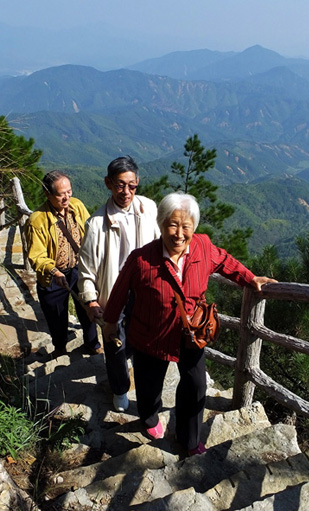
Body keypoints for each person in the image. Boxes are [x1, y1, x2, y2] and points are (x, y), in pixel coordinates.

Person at [102, 192, 276, 455]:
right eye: (172, 224)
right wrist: (110, 322)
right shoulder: (141, 259)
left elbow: (226, 261)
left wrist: (250, 279)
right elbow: (119, 291)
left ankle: (189, 440)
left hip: (190, 334)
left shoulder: (203, 247)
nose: (179, 233)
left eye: (186, 226)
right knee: (149, 384)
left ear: (194, 227)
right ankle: (149, 417)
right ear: (160, 224)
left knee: (196, 385)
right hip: (150, 334)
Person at [78, 156, 160, 412]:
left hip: (145, 289)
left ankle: (132, 365)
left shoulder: (149, 209)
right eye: (120, 185)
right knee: (114, 341)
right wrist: (91, 300)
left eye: (132, 186)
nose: (126, 192)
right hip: (113, 292)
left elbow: (160, 246)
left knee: (142, 335)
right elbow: (87, 268)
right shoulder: (96, 224)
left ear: (138, 183)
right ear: (108, 184)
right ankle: (120, 388)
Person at [26, 171, 101, 356]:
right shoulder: (37, 220)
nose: (67, 197)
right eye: (61, 194)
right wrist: (54, 271)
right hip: (53, 276)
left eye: (69, 191)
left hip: (78, 268)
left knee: (88, 306)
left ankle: (93, 344)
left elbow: (92, 231)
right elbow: (37, 255)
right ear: (47, 194)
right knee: (56, 315)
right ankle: (60, 348)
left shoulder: (77, 206)